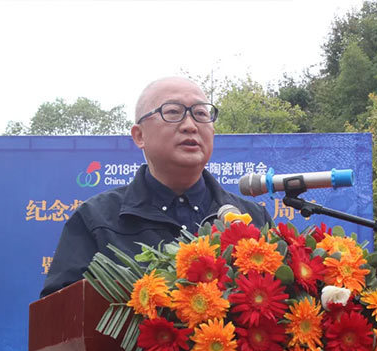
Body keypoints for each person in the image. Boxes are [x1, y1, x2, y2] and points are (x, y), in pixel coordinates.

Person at [40, 76, 272, 298]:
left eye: (201, 114)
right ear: (139, 136)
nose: (190, 125)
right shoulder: (95, 219)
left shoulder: (251, 219)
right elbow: (61, 314)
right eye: (173, 112)